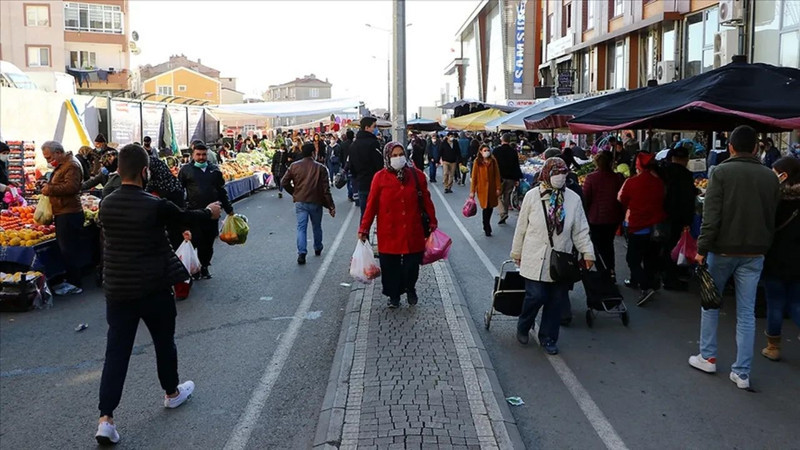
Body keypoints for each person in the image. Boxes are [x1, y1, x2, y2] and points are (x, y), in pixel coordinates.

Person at [94, 143, 221, 446]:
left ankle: (106, 419)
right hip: (153, 287)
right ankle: (171, 393)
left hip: (118, 289)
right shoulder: (153, 204)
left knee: (116, 352)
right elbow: (186, 216)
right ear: (144, 171)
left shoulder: (106, 205)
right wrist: (209, 211)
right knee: (164, 342)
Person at [690, 125, 780, 390]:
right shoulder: (770, 177)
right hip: (755, 252)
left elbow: (711, 215)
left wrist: (702, 249)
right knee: (746, 313)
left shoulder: (720, 172)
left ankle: (708, 356)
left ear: (730, 147)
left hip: (723, 250)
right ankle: (742, 372)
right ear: (756, 147)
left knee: (711, 303)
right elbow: (771, 216)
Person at [511, 157, 594, 355]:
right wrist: (517, 252)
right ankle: (524, 325)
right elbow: (521, 227)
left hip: (561, 258)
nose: (560, 177)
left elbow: (580, 229)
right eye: (556, 173)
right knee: (536, 295)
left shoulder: (573, 199)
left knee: (556, 300)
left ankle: (548, 337)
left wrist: (587, 252)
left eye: (563, 173)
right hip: (534, 255)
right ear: (547, 173)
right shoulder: (532, 196)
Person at [358, 141, 438, 308]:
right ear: (387, 157)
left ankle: (410, 288)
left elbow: (426, 201)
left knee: (411, 265)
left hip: (412, 229)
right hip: (389, 230)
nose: (398, 158)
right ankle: (393, 295)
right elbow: (371, 205)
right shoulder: (379, 177)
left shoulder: (416, 175)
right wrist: (364, 228)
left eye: (400, 154)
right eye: (394, 155)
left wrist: (432, 221)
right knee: (390, 267)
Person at [761, 156, 800, 361]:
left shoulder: (774, 198)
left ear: (784, 174)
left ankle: (773, 347)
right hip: (798, 259)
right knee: (796, 303)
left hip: (775, 256)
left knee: (775, 303)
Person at [178, 143, 233, 279]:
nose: (201, 157)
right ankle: (194, 268)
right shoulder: (186, 171)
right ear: (193, 155)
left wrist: (229, 210)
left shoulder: (214, 170)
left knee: (208, 243)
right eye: (198, 154)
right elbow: (179, 192)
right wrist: (182, 210)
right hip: (194, 213)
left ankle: (204, 266)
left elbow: (221, 191)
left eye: (204, 155)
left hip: (212, 215)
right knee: (195, 241)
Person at [618, 152, 666, 306]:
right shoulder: (659, 182)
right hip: (656, 227)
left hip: (637, 226)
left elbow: (621, 198)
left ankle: (645, 286)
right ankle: (649, 283)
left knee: (632, 259)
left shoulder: (632, 182)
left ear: (637, 166)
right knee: (650, 258)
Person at [39, 141, 85, 295]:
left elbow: (72, 187)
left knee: (68, 249)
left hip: (69, 212)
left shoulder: (71, 165)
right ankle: (71, 279)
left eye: (49, 157)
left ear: (59, 152)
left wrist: (49, 189)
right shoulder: (64, 165)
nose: (48, 161)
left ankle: (74, 283)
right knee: (66, 248)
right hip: (62, 211)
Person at [281, 143, 335, 265]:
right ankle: (317, 247)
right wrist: (331, 206)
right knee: (316, 226)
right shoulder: (320, 168)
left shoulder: (294, 166)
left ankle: (302, 252)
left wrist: (294, 192)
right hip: (316, 201)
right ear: (313, 153)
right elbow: (326, 190)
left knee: (301, 227)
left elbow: (284, 182)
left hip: (300, 201)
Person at [660, 145, 698, 291]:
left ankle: (665, 274)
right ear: (686, 159)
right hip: (678, 216)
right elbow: (687, 200)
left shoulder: (663, 172)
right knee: (674, 247)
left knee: (666, 245)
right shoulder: (686, 175)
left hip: (663, 214)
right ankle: (671, 278)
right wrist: (688, 221)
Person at [582, 151, 624, 279]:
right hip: (613, 217)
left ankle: (603, 271)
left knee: (597, 246)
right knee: (608, 244)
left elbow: (585, 198)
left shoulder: (591, 178)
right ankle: (610, 270)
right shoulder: (618, 178)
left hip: (596, 218)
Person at [348, 117, 384, 218]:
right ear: (367, 127)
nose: (375, 129)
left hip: (361, 183)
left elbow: (352, 166)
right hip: (374, 183)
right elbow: (379, 164)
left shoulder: (353, 145)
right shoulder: (373, 143)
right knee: (379, 213)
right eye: (374, 126)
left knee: (364, 214)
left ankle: (364, 232)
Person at [470, 144, 501, 236]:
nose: (487, 152)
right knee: (485, 207)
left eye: (488, 150)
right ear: (480, 151)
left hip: (491, 188)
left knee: (490, 207)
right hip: (482, 188)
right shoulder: (477, 162)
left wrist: (498, 187)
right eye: (484, 150)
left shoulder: (493, 161)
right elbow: (474, 176)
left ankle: (486, 223)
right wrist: (472, 191)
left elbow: (497, 175)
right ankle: (486, 225)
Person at [493, 133, 524, 225]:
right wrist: (517, 179)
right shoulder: (513, 151)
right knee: (507, 196)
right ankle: (505, 213)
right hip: (511, 178)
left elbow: (493, 165)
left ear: (502, 140)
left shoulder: (496, 151)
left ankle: (502, 213)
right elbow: (516, 165)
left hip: (500, 177)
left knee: (497, 196)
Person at [340, 129, 356, 202]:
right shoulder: (354, 144)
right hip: (353, 164)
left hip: (345, 164)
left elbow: (340, 155)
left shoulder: (343, 144)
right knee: (352, 180)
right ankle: (351, 194)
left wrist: (342, 164)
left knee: (348, 180)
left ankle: (349, 194)